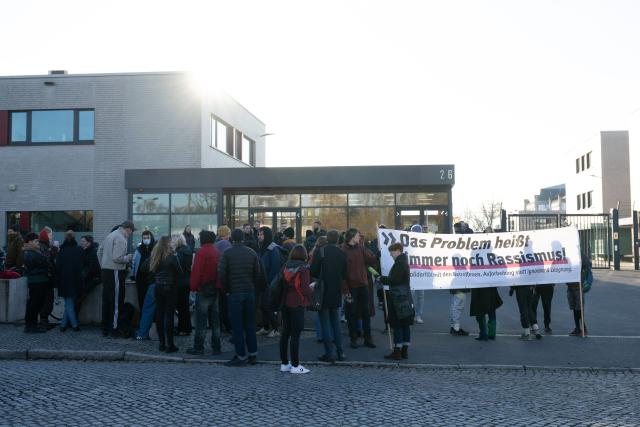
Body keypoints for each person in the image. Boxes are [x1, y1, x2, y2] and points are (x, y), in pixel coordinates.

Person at [219, 228, 262, 366]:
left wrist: (227, 290)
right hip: (249, 292)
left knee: (237, 326)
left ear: (232, 238)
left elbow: (222, 275)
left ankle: (241, 355)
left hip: (235, 293)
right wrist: (253, 287)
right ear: (243, 238)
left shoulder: (227, 253)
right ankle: (253, 354)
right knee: (250, 324)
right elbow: (258, 273)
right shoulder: (252, 253)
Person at [311, 230, 347, 363]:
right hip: (336, 290)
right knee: (336, 323)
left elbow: (313, 271)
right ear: (338, 240)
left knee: (325, 322)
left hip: (323, 291)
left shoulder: (320, 252)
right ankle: (340, 352)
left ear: (327, 239)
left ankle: (329, 354)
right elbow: (344, 274)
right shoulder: (342, 253)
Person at [278, 245, 313, 374]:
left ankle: (284, 363)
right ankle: (296, 365)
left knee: (285, 333)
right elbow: (305, 289)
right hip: (297, 302)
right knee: (295, 335)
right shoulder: (303, 269)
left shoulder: (286, 266)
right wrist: (312, 287)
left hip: (285, 302)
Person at [187, 230, 222, 355]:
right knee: (215, 322)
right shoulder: (217, 252)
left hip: (203, 290)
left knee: (201, 322)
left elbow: (197, 272)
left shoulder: (201, 253)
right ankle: (216, 347)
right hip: (215, 289)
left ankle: (199, 347)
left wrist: (193, 287)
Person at [97, 220, 135, 337]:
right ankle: (114, 328)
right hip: (115, 271)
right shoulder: (121, 238)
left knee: (106, 300)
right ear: (128, 229)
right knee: (116, 302)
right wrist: (128, 258)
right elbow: (117, 257)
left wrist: (103, 264)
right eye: (131, 231)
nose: (130, 234)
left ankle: (105, 328)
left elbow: (99, 251)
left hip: (106, 271)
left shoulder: (110, 235)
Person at [341, 228, 377, 349]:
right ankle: (353, 338)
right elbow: (341, 273)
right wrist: (345, 290)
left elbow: (371, 259)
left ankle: (368, 338)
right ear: (351, 237)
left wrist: (378, 253)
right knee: (351, 314)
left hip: (363, 285)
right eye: (357, 235)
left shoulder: (361, 248)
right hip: (351, 287)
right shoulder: (343, 250)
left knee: (366, 313)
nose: (359, 237)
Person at [149, 236, 183, 353]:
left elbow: (148, 270)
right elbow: (179, 272)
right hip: (170, 287)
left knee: (159, 314)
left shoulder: (155, 257)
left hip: (158, 287)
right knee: (169, 315)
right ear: (168, 244)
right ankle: (170, 344)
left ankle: (161, 343)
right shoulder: (172, 257)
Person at [381, 242, 414, 360]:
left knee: (398, 325)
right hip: (405, 297)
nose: (390, 254)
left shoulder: (400, 264)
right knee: (405, 325)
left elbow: (394, 280)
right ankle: (404, 350)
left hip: (398, 299)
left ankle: (397, 351)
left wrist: (381, 279)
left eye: (391, 251)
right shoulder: (403, 262)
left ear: (398, 251)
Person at [55, 231, 84, 332]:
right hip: (76, 280)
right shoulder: (79, 250)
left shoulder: (61, 252)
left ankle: (67, 325)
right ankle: (72, 325)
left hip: (64, 281)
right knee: (70, 303)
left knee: (69, 303)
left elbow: (57, 268)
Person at [257, 226, 283, 338]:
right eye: (259, 234)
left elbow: (275, 268)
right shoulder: (263, 247)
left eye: (262, 234)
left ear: (266, 235)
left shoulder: (273, 249)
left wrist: (269, 283)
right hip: (263, 282)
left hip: (270, 283)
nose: (259, 236)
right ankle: (266, 327)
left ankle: (276, 329)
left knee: (268, 306)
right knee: (263, 305)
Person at [22, 233, 51, 333]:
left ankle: (30, 324)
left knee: (33, 304)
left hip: (37, 280)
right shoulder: (30, 252)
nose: (37, 243)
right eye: (35, 241)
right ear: (30, 242)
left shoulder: (33, 251)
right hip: (37, 281)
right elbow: (41, 264)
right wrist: (45, 264)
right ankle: (31, 325)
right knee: (35, 304)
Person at [449, 221, 472, 336]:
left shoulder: (454, 246)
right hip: (460, 283)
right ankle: (456, 328)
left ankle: (454, 326)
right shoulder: (460, 253)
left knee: (455, 304)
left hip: (457, 283)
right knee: (458, 305)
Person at [567, 252, 592, 336]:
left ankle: (584, 328)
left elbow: (588, 265)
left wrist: (582, 278)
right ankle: (577, 328)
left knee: (579, 308)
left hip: (578, 287)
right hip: (570, 287)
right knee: (574, 308)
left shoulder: (579, 253)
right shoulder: (566, 253)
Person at [38, 227, 57, 330]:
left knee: (46, 300)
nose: (51, 237)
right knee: (47, 301)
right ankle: (43, 322)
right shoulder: (43, 247)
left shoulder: (44, 246)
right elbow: (47, 262)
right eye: (50, 235)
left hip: (46, 278)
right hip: (46, 279)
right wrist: (53, 252)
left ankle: (44, 321)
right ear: (45, 236)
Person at [77, 235, 101, 316]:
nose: (81, 243)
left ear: (88, 243)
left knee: (79, 298)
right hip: (89, 278)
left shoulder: (92, 253)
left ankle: (73, 319)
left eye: (83, 241)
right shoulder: (87, 251)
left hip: (91, 279)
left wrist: (82, 276)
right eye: (81, 241)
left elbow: (90, 268)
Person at [174, 234, 193, 336]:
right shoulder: (187, 250)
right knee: (184, 307)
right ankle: (186, 328)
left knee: (181, 307)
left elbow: (177, 266)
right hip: (186, 281)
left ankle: (183, 329)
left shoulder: (179, 252)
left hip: (180, 282)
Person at [215, 225, 232, 334]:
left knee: (220, 304)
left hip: (217, 278)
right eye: (229, 233)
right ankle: (227, 325)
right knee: (225, 305)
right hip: (224, 279)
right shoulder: (225, 244)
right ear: (226, 234)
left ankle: (220, 325)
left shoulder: (216, 243)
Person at [409, 224, 425, 324]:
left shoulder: (424, 244)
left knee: (420, 296)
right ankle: (412, 314)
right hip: (411, 274)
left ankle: (418, 315)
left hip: (421, 274)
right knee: (411, 296)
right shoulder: (408, 244)